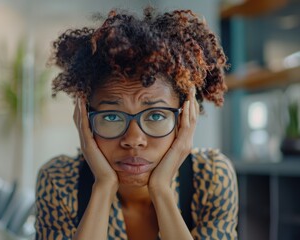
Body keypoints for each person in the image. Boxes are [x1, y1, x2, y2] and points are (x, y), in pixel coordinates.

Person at [35, 7, 238, 240]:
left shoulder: (210, 176)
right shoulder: (60, 181)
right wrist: (103, 186)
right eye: (111, 116)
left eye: (155, 115)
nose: (133, 140)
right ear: (84, 118)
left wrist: (161, 190)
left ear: (184, 117)